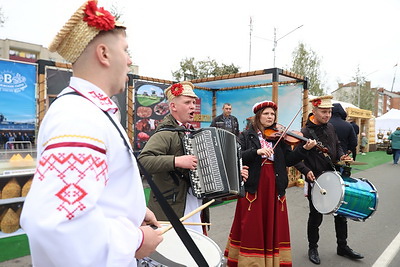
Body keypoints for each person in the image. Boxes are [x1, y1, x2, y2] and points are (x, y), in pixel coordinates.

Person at [20, 1, 163, 266]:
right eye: (126, 50)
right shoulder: (79, 117)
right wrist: (134, 240)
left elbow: (87, 194)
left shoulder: (88, 111)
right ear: (104, 54)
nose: (130, 60)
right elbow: (57, 223)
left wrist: (130, 211)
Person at [138, 82, 248, 234]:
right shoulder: (166, 133)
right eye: (187, 102)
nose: (192, 106)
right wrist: (177, 161)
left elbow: (208, 169)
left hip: (194, 202)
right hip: (174, 205)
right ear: (173, 106)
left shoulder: (192, 132)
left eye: (194, 102)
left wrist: (235, 174)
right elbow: (143, 161)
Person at [224, 100, 317, 266]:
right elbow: (237, 155)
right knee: (252, 224)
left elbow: (289, 160)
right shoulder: (246, 135)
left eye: (272, 114)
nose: (270, 116)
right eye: (266, 113)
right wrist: (257, 151)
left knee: (272, 224)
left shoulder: (279, 137)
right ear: (258, 116)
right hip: (255, 184)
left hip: (274, 184)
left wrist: (304, 150)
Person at [294, 95, 364, 265]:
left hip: (334, 176)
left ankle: (342, 246)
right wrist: (306, 170)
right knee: (316, 216)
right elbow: (294, 158)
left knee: (341, 214)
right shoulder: (304, 132)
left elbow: (338, 145)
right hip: (316, 179)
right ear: (314, 111)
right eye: (324, 112)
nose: (327, 115)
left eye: (329, 112)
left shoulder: (331, 127)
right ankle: (313, 248)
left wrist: (341, 155)